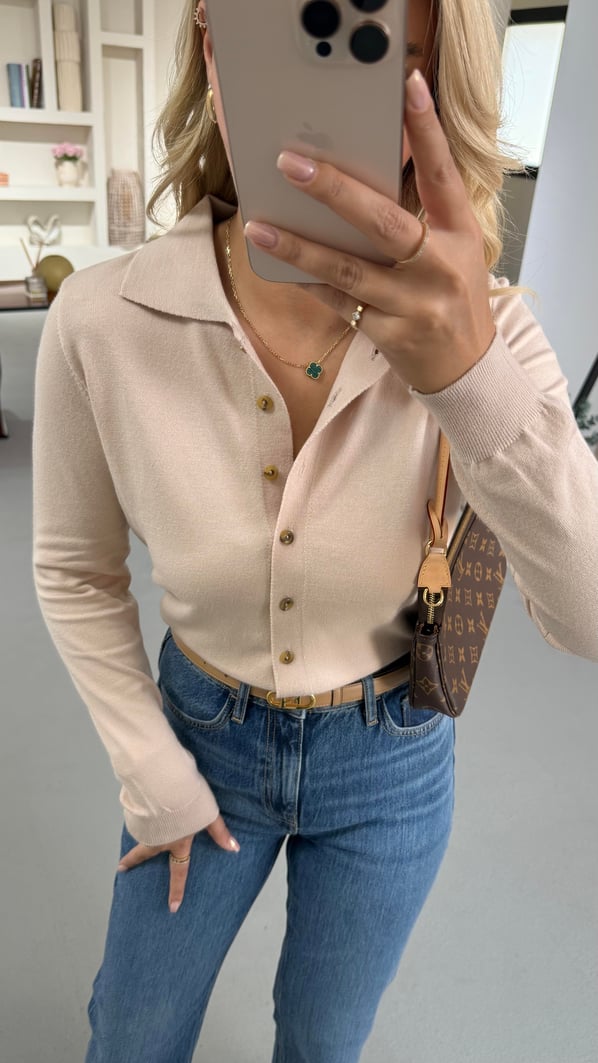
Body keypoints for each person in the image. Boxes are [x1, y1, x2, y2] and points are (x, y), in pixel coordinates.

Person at [31, 0, 598, 1060]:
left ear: (437, 90)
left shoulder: (494, 331)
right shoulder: (103, 320)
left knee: (324, 1043)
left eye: (384, 60)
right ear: (213, 51)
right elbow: (73, 568)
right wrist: (149, 767)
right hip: (197, 733)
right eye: (284, 47)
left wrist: (470, 378)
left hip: (391, 755)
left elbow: (588, 615)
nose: (325, 105)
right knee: (130, 1034)